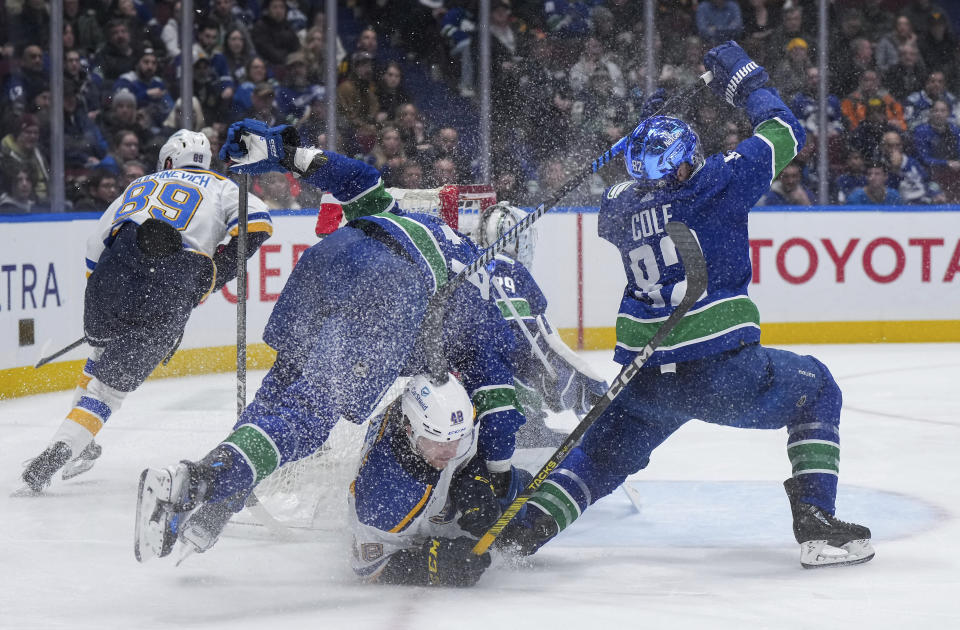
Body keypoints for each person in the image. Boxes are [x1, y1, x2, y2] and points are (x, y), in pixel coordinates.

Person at [497, 41, 875, 569]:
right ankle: (816, 521)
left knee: (598, 461)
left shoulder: (618, 207)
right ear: (683, 165)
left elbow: (639, 183)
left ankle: (519, 534)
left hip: (645, 377)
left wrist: (648, 131)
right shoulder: (716, 184)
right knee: (817, 389)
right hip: (721, 370)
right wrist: (747, 82)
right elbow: (787, 132)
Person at [133, 120, 527, 562]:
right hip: (389, 287)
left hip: (331, 258)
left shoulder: (414, 223)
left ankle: (218, 502)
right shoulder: (492, 302)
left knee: (279, 396)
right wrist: (498, 474)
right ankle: (197, 481)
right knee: (309, 418)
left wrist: (282, 153)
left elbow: (356, 180)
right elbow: (498, 408)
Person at [19, 130, 273, 494]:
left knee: (104, 348)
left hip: (111, 272)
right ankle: (62, 449)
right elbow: (259, 225)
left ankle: (78, 442)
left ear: (168, 161)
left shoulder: (140, 185)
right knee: (108, 391)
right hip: (172, 279)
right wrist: (212, 275)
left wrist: (110, 292)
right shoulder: (222, 186)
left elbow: (95, 245)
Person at [473, 202, 608, 448]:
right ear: (513, 240)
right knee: (526, 359)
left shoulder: (471, 265)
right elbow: (537, 332)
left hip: (470, 378)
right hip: (505, 376)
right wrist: (585, 377)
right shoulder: (514, 269)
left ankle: (504, 420)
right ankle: (525, 423)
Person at [349, 374, 500, 586]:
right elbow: (367, 568)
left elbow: (464, 452)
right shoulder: (382, 496)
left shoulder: (454, 416)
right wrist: (431, 563)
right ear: (410, 430)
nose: (452, 450)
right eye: (439, 441)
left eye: (458, 439)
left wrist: (475, 481)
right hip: (404, 507)